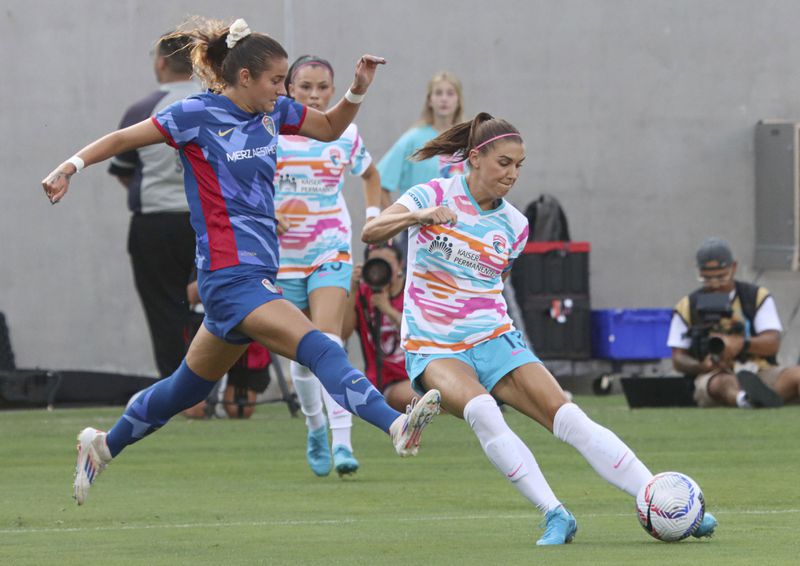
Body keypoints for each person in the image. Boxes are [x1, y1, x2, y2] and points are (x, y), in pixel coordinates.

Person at [41, 17, 441, 506]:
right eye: (276, 80)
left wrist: (356, 91)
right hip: (230, 277)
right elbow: (123, 139)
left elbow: (332, 127)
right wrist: (69, 167)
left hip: (255, 274)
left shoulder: (274, 114)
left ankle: (100, 446)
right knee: (321, 347)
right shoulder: (194, 115)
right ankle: (397, 424)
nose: (284, 88)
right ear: (246, 77)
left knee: (182, 390)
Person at [361, 112, 717, 545]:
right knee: (484, 412)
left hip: (494, 336)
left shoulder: (515, 226)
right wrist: (419, 216)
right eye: (504, 163)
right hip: (435, 344)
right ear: (475, 158)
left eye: (519, 165)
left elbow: (496, 282)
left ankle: (663, 501)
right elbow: (371, 230)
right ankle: (555, 514)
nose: (512, 174)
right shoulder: (431, 193)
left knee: (572, 420)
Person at [274, 55, 382, 478]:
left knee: (329, 343)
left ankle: (343, 440)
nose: (315, 95)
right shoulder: (273, 131)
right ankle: (315, 425)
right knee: (302, 355)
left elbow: (370, 176)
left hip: (330, 247)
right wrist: (267, 211)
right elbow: (245, 183)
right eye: (305, 87)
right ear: (288, 89)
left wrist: (373, 220)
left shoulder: (344, 134)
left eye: (322, 87)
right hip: (282, 257)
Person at [108, 32, 200, 378]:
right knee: (220, 300)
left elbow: (124, 170)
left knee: (164, 307)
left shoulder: (142, 109)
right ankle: (232, 389)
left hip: (156, 223)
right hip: (209, 220)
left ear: (161, 62)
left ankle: (180, 391)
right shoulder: (215, 102)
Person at [667, 237, 800, 408]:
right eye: (707, 279)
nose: (715, 284)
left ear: (733, 267)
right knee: (720, 384)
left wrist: (739, 344)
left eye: (721, 277)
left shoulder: (756, 297)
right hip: (715, 374)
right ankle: (745, 399)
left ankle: (758, 396)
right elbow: (678, 359)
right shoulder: (687, 306)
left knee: (795, 375)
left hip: (760, 371)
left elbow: (772, 342)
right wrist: (702, 365)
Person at [376, 72, 465, 258]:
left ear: (458, 100)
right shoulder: (413, 139)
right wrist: (397, 222)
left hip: (460, 233)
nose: (444, 99)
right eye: (438, 93)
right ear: (429, 100)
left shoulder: (467, 140)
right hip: (419, 233)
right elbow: (379, 182)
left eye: (450, 93)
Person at [342, 241, 417, 412]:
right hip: (387, 383)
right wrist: (352, 289)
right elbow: (343, 333)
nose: (381, 270)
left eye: (387, 265)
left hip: (417, 375)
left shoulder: (413, 290)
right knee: (415, 397)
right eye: (375, 264)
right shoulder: (363, 295)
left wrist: (388, 310)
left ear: (400, 265)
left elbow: (420, 336)